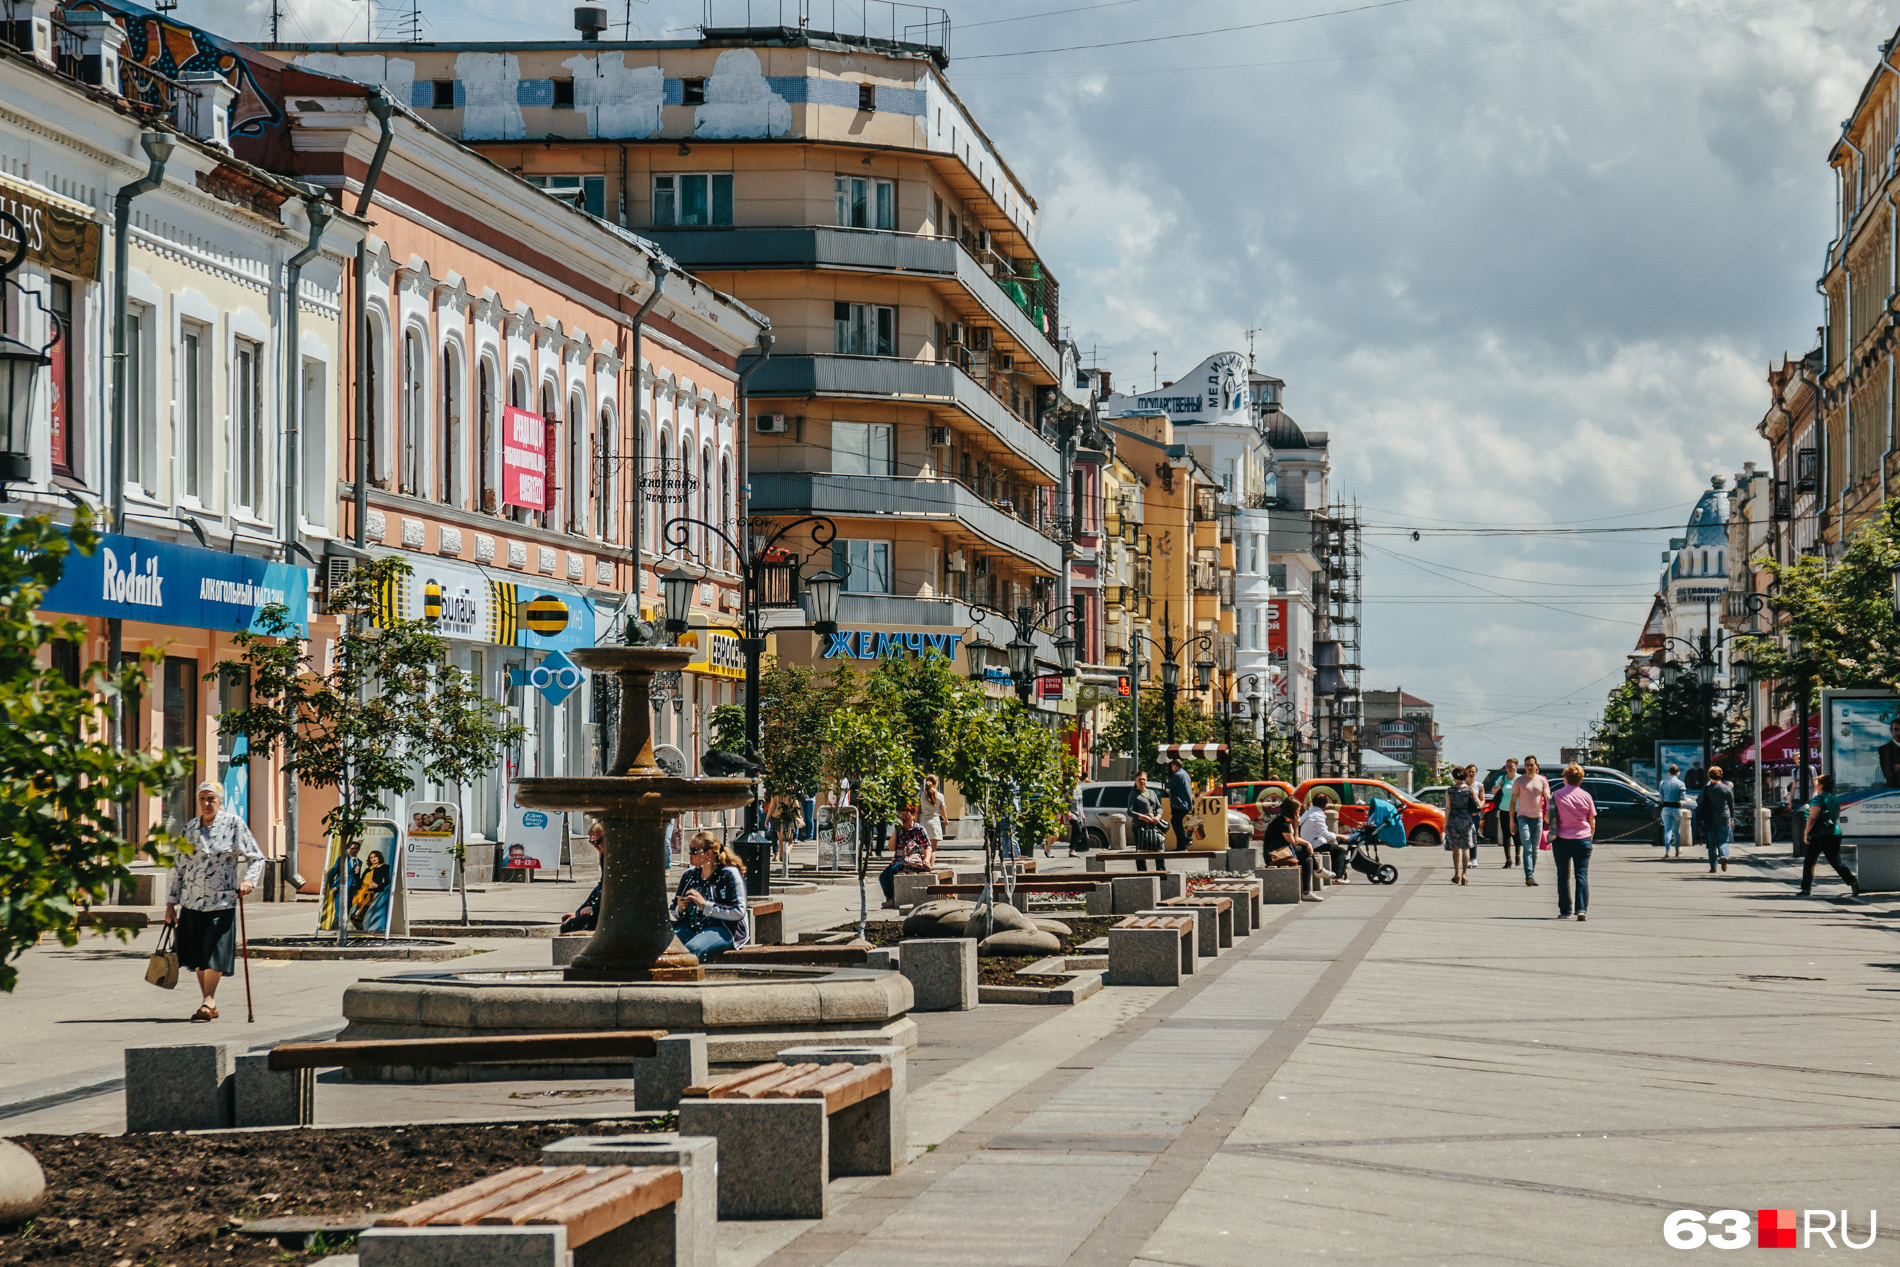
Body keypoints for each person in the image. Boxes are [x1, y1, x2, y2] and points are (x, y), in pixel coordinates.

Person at [165, 782, 265, 1023]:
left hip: (222, 901)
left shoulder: (233, 824)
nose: (206, 803)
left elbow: (257, 857)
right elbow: (179, 867)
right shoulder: (189, 828)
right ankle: (209, 1002)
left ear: (220, 801)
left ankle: (208, 1000)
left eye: (211, 799)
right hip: (191, 902)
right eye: (202, 798)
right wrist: (170, 903)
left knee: (215, 953)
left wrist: (249, 882)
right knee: (197, 956)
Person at [672, 831, 750, 958]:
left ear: (708, 853)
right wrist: (679, 909)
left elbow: (739, 911)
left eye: (694, 850)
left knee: (692, 950)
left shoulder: (728, 874)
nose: (689, 854)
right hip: (691, 926)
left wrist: (704, 905)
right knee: (665, 948)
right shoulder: (689, 875)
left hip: (722, 928)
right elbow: (673, 910)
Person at [1547, 763, 1595, 920]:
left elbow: (1549, 817)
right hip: (1583, 839)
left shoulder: (1557, 795)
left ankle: (1565, 910)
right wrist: (1590, 838)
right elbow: (1591, 820)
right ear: (1580, 779)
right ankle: (1581, 909)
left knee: (1563, 875)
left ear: (1565, 777)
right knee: (1581, 874)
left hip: (1562, 839)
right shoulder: (1586, 796)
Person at [1800, 773, 1859, 897]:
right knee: (1836, 861)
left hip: (1817, 835)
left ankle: (1806, 889)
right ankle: (1852, 881)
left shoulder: (1817, 799)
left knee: (1809, 862)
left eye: (1817, 783)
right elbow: (1836, 815)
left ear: (1821, 785)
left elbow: (1812, 817)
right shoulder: (1833, 799)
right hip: (1834, 833)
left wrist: (1806, 832)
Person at [1264, 797, 1323, 901]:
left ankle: (1306, 892)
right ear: (1291, 810)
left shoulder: (1285, 820)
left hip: (1283, 852)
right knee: (1304, 850)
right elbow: (1294, 843)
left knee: (1308, 859)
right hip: (1275, 856)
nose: (1299, 812)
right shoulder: (1282, 824)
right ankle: (1318, 870)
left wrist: (1308, 843)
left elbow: (1294, 840)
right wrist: (1296, 826)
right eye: (1298, 809)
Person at [878, 804, 935, 904]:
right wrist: (896, 830)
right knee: (883, 876)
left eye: (906, 814)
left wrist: (926, 859)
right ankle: (890, 898)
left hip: (913, 862)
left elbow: (928, 846)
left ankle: (895, 898)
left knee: (892, 871)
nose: (904, 817)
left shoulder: (919, 829)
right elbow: (891, 848)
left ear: (913, 815)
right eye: (902, 815)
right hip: (899, 861)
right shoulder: (899, 830)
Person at [560, 820, 606, 934]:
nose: (595, 845)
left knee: (568, 927)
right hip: (604, 912)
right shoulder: (605, 856)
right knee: (568, 924)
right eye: (592, 842)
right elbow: (600, 887)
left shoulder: (615, 858)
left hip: (613, 915)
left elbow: (612, 889)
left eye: (598, 841)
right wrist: (579, 911)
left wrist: (595, 910)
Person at [1512, 756, 1551, 887]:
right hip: (1523, 817)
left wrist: (1548, 814)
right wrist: (1512, 821)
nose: (1529, 767)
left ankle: (1531, 875)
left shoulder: (1542, 780)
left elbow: (1548, 798)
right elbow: (1513, 802)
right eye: (1527, 765)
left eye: (1531, 765)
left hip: (1538, 818)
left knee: (1535, 849)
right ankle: (1529, 875)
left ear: (1536, 766)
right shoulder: (1519, 781)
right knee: (1527, 847)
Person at [1300, 791, 1349, 883]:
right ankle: (1337, 876)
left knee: (1333, 849)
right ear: (1325, 805)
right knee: (1340, 851)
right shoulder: (1318, 816)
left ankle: (1336, 873)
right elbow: (1326, 834)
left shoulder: (1307, 813)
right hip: (1314, 844)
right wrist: (1340, 836)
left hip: (1307, 842)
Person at [1445, 765, 1480, 885]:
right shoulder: (1469, 789)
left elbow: (1448, 808)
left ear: (1454, 776)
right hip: (1467, 819)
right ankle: (1465, 874)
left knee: (1455, 848)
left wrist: (1446, 823)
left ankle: (1456, 873)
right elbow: (1478, 803)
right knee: (1466, 847)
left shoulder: (1449, 790)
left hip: (1454, 818)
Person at [1696, 765, 1735, 873]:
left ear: (1709, 777)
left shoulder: (1707, 789)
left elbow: (1699, 801)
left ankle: (1713, 867)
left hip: (1710, 818)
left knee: (1711, 843)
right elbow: (1731, 805)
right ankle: (1723, 856)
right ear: (1721, 775)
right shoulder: (1727, 788)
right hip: (1724, 817)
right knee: (1724, 841)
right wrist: (1732, 818)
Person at [1129, 771, 1167, 867]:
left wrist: (1158, 816)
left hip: (1154, 827)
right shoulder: (1134, 794)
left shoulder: (1152, 792)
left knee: (1160, 848)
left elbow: (1159, 807)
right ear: (1135, 781)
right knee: (1141, 852)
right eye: (1139, 779)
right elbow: (1129, 811)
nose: (1142, 781)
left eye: (1144, 779)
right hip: (1140, 828)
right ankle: (1142, 874)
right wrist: (1143, 817)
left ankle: (1161, 872)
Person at [1492, 758, 1519, 866]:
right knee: (1506, 834)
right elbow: (1493, 791)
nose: (1509, 768)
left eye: (1511, 766)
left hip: (1517, 809)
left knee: (1517, 834)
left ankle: (1517, 855)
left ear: (1516, 766)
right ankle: (1508, 859)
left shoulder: (1520, 779)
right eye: (1507, 766)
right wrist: (1499, 786)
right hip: (1504, 809)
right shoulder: (1502, 778)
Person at [1165, 757, 1194, 852]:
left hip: (1179, 804)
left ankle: (1186, 839)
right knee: (1177, 823)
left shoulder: (1177, 775)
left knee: (1175, 822)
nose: (1171, 768)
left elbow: (1168, 785)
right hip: (1185, 803)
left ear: (1175, 765)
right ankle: (1182, 846)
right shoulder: (1185, 773)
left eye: (1172, 766)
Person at [1659, 763, 1686, 857]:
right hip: (1676, 808)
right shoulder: (1681, 784)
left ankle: (1667, 850)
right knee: (1677, 830)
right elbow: (1682, 797)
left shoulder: (1663, 783)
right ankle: (1678, 849)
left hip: (1666, 808)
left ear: (1669, 772)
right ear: (1678, 773)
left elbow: (1661, 797)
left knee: (1667, 830)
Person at [921, 775, 947, 847]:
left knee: (924, 849)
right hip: (934, 823)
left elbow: (917, 811)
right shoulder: (940, 796)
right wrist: (945, 820)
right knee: (933, 850)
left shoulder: (922, 795)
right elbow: (942, 811)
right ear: (936, 783)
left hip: (923, 823)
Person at [1879, 718, 1900, 787]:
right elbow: (1889, 775)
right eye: (1896, 729)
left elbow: (1893, 769)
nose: (1899, 733)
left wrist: (1897, 766)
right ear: (1891, 730)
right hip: (1893, 792)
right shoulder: (1883, 749)